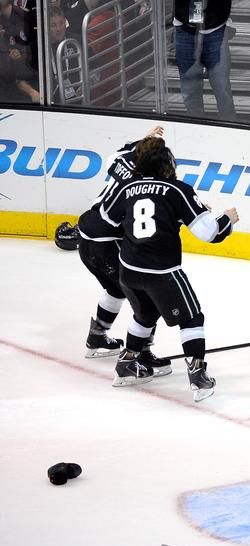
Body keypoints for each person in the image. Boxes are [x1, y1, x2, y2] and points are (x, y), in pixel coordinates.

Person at [99, 136, 239, 401]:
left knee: (145, 314)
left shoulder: (127, 187)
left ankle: (127, 364)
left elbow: (107, 217)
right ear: (167, 162)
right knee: (192, 319)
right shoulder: (177, 190)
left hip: (128, 269)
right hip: (162, 272)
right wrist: (227, 219)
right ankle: (198, 377)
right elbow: (208, 233)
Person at [78, 126, 170, 375]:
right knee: (149, 300)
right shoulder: (144, 183)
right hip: (106, 243)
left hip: (86, 239)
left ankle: (97, 337)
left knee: (115, 288)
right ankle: (139, 356)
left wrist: (145, 139)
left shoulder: (122, 161)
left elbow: (118, 154)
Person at [172, 0, 235, 120]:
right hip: (185, 26)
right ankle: (195, 126)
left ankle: (229, 126)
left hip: (216, 26)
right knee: (190, 87)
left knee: (221, 85)